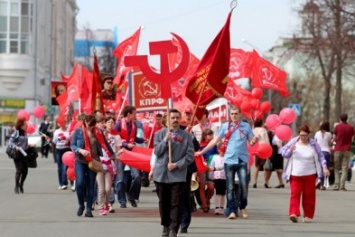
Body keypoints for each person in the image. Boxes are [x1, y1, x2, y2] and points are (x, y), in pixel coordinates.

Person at [196, 106, 257, 220]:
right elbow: (215, 140)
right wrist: (202, 152)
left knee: (243, 186)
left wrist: (254, 140)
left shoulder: (246, 126)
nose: (234, 116)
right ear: (230, 115)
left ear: (240, 114)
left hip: (242, 160)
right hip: (228, 160)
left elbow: (251, 141)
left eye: (236, 113)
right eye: (232, 114)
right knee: (229, 188)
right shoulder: (225, 127)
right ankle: (232, 210)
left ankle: (242, 207)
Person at [153, 109, 194, 237]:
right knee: (163, 202)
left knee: (176, 203)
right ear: (168, 119)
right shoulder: (159, 134)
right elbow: (157, 152)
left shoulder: (186, 136)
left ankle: (173, 229)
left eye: (177, 117)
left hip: (178, 175)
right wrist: (165, 140)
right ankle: (165, 225)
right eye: (173, 118)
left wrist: (177, 165)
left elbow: (189, 156)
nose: (175, 120)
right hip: (162, 174)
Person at [281, 125, 329, 223]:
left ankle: (308, 215)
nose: (303, 137)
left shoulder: (313, 144)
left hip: (310, 174)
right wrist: (290, 149)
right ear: (299, 134)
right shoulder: (293, 142)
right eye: (301, 135)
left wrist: (324, 167)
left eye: (305, 135)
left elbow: (321, 156)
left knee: (309, 195)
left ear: (308, 135)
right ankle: (294, 214)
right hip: (295, 174)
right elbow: (284, 154)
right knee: (295, 194)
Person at [71, 114, 114, 218]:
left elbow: (106, 145)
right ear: (85, 122)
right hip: (80, 160)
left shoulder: (98, 132)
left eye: (92, 125)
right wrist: (80, 150)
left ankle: (89, 209)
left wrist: (113, 155)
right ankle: (81, 204)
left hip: (94, 161)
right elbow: (72, 145)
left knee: (91, 185)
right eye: (89, 125)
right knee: (80, 183)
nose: (90, 127)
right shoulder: (78, 131)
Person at [114, 105, 145, 208]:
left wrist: (142, 140)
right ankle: (122, 200)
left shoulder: (134, 125)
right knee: (120, 178)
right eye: (134, 113)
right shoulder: (118, 124)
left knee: (136, 177)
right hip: (121, 153)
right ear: (129, 114)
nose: (135, 116)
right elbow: (114, 138)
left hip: (132, 153)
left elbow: (134, 138)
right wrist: (126, 145)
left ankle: (132, 196)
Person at [7, 118, 32, 194]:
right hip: (17, 154)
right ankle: (16, 187)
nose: (27, 125)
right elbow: (10, 143)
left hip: (24, 153)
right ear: (21, 125)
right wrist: (16, 147)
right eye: (25, 124)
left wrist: (28, 146)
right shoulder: (16, 133)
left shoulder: (25, 133)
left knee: (25, 171)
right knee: (19, 170)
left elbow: (25, 143)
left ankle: (21, 184)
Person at [333, 113, 354, 191]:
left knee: (336, 168)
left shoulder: (337, 127)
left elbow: (334, 138)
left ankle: (336, 185)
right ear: (347, 118)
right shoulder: (351, 127)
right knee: (344, 168)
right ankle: (342, 185)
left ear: (340, 119)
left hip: (338, 149)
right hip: (347, 149)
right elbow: (352, 139)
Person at [198, 128, 217, 213]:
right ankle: (205, 205)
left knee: (211, 187)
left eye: (212, 134)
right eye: (210, 135)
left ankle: (207, 199)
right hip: (202, 167)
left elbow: (216, 155)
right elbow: (198, 156)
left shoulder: (214, 145)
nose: (212, 136)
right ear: (205, 136)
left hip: (211, 167)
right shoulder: (200, 145)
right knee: (202, 186)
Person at [252, 118, 271, 188]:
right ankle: (266, 182)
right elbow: (266, 140)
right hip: (264, 148)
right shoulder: (263, 130)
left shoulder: (253, 130)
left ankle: (255, 181)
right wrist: (269, 149)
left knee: (257, 167)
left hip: (257, 149)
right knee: (265, 167)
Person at [52, 122, 71, 190]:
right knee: (60, 167)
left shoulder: (68, 131)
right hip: (58, 150)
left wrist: (68, 141)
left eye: (63, 123)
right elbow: (54, 141)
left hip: (66, 149)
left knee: (65, 167)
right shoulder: (56, 132)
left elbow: (71, 139)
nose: (62, 125)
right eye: (60, 123)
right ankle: (61, 183)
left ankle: (64, 182)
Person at [314, 121, 332, 190]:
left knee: (318, 167)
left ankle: (318, 180)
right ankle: (323, 184)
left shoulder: (317, 133)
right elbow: (329, 144)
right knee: (325, 168)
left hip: (318, 152)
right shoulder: (329, 134)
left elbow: (315, 143)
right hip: (326, 152)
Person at [208, 150, 226, 215]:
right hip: (217, 177)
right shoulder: (215, 157)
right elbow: (211, 166)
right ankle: (217, 207)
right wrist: (210, 176)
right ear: (218, 150)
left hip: (225, 177)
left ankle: (221, 207)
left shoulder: (226, 157)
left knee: (223, 193)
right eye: (222, 150)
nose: (223, 152)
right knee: (218, 192)